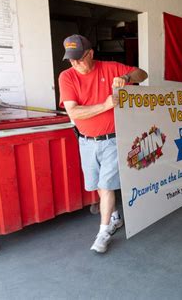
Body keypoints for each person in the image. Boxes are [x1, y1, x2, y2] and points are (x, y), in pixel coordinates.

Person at [58, 34, 148, 253]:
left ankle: (103, 231)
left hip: (111, 140)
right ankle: (115, 217)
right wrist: (107, 104)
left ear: (90, 53)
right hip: (86, 142)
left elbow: (143, 74)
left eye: (79, 58)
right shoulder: (67, 76)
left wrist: (126, 78)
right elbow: (74, 111)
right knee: (98, 184)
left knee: (106, 186)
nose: (75, 63)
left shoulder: (110, 68)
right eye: (71, 59)